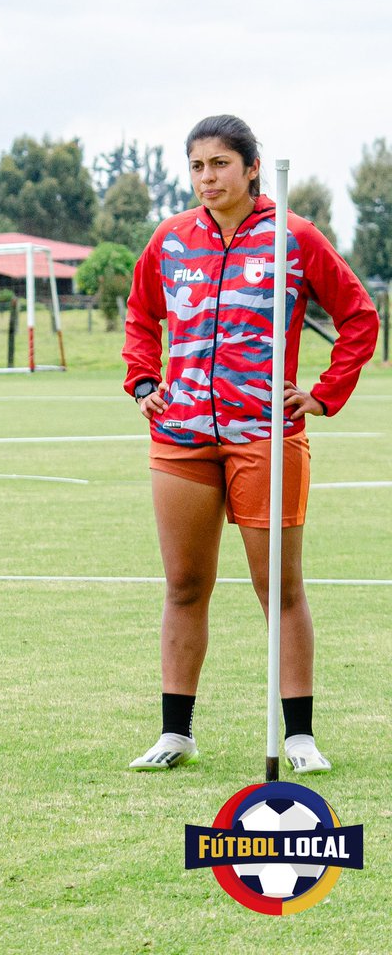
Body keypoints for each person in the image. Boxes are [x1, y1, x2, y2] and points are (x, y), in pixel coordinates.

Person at [123, 114, 378, 776]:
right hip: (179, 436)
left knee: (280, 588)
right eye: (198, 166)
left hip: (264, 436)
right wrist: (145, 377)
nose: (208, 178)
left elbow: (358, 317)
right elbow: (141, 313)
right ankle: (174, 734)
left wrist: (322, 393)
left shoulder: (295, 236)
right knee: (183, 584)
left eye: (221, 165)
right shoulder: (171, 239)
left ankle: (298, 737)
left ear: (251, 167)